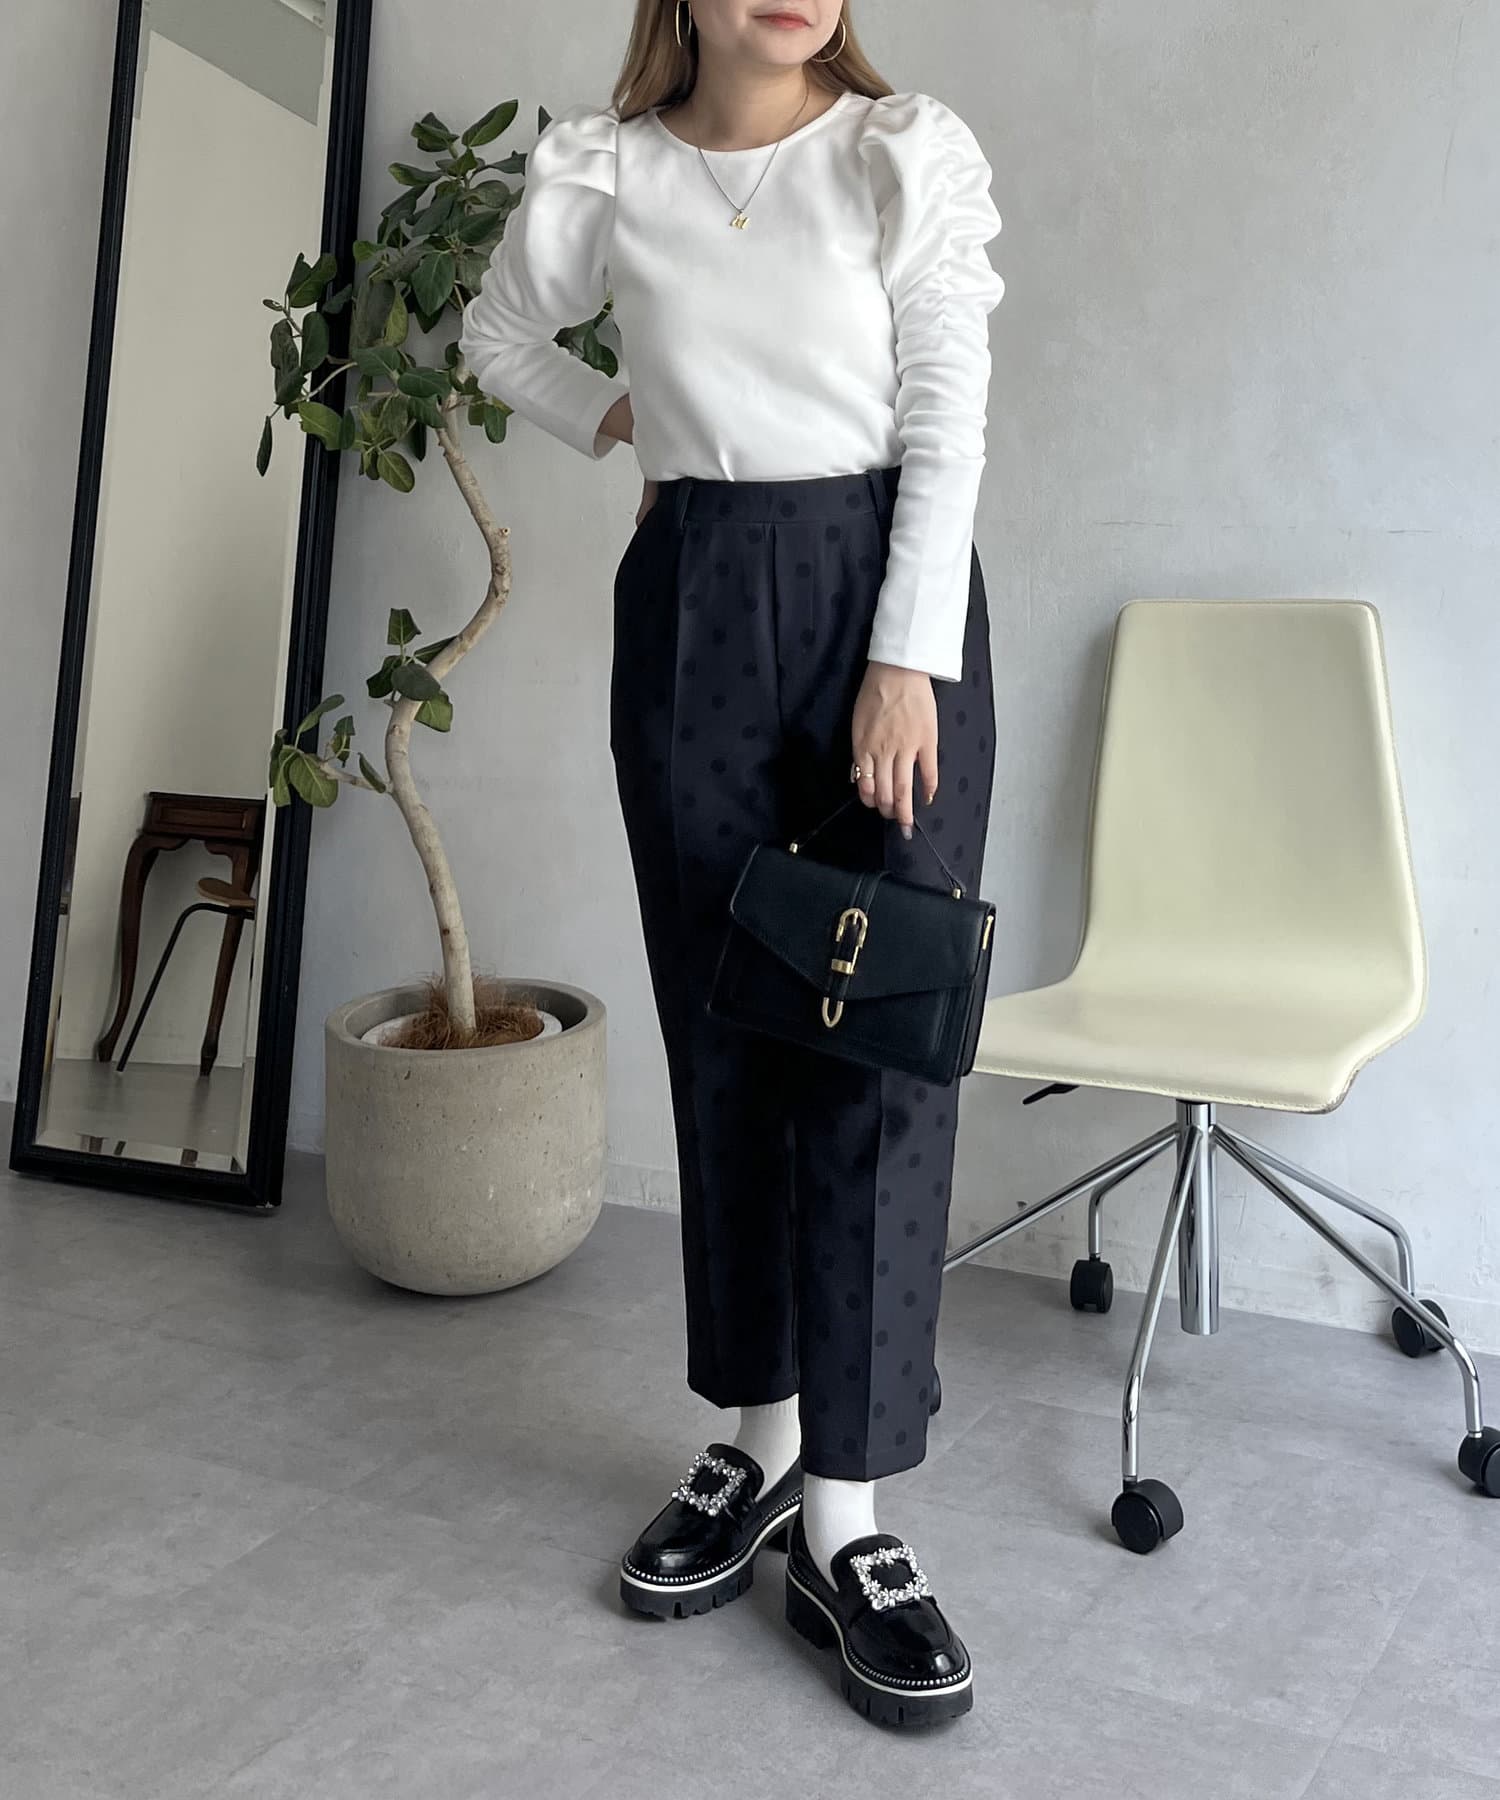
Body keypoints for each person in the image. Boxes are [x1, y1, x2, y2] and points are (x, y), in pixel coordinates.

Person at [458, 0, 1003, 1729]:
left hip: (883, 600)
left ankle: (849, 1516)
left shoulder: (897, 153)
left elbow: (950, 416)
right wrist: (624, 421)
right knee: (730, 1035)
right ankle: (761, 1442)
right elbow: (497, 336)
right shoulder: (607, 173)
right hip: (694, 596)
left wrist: (904, 659)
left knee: (875, 1051)